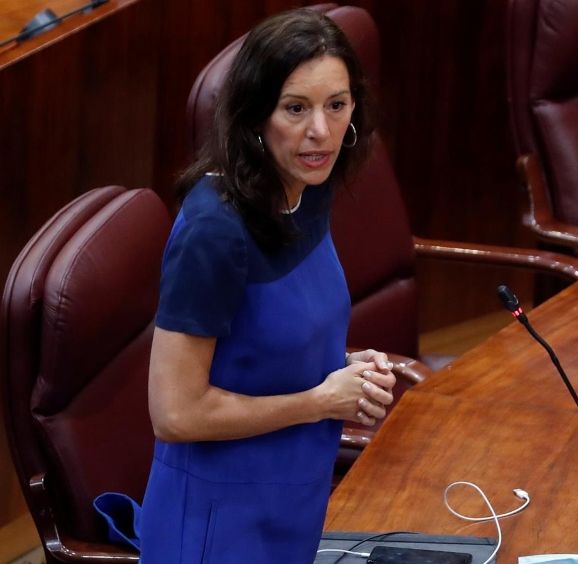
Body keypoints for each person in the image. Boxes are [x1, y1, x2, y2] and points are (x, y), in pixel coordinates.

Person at [140, 8, 396, 563]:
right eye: (295, 108)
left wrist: (344, 367)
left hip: (292, 497)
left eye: (337, 105)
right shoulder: (214, 233)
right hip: (217, 521)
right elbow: (176, 413)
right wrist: (321, 400)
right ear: (255, 114)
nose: (320, 131)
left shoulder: (309, 187)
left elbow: (262, 339)